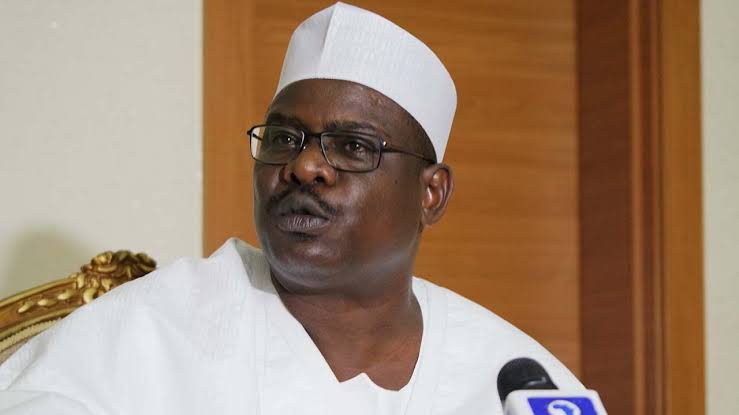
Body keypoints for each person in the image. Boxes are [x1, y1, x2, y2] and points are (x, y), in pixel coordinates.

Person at [0, 2, 583, 413]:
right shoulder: (147, 333)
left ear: (430, 194)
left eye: (352, 146)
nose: (305, 166)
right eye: (284, 139)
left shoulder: (513, 377)